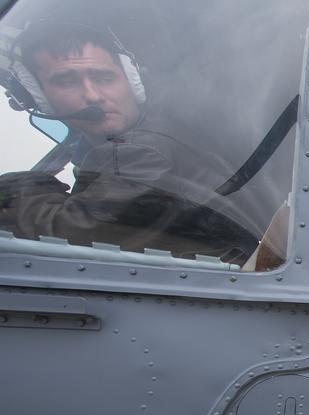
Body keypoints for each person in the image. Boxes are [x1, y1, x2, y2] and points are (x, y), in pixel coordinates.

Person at [0, 21, 261, 263]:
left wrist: (17, 195)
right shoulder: (107, 145)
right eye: (67, 81)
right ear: (37, 95)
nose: (92, 95)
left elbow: (69, 230)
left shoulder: (143, 151)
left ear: (133, 83)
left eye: (104, 78)